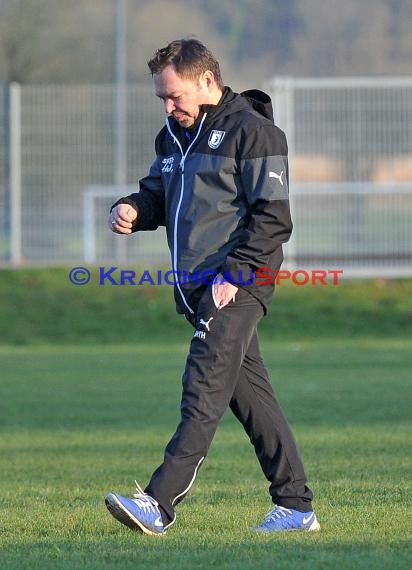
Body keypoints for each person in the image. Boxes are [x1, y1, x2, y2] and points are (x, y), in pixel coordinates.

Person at [105, 38, 319, 535]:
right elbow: (161, 193)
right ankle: (295, 506)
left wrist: (234, 276)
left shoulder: (256, 134)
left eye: (174, 95)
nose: (168, 106)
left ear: (206, 80)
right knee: (253, 401)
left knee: (201, 389)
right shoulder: (173, 136)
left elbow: (273, 220)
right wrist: (135, 209)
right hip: (199, 290)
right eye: (161, 97)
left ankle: (157, 505)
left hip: (236, 284)